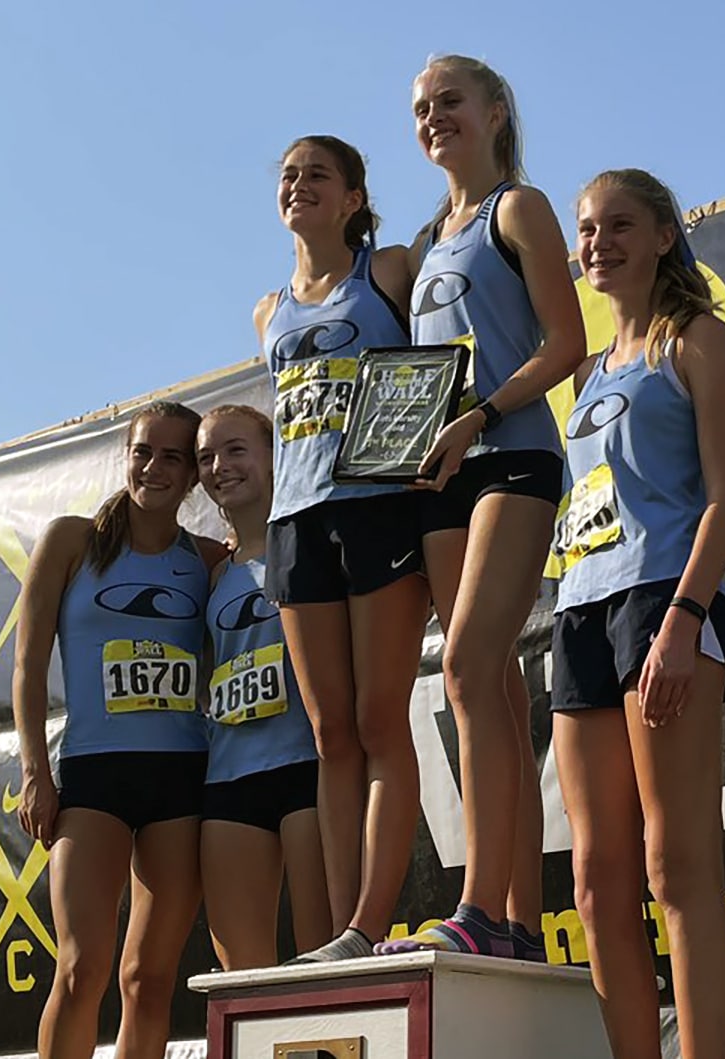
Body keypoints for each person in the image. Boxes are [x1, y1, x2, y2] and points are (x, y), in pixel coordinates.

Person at [375, 54, 586, 960]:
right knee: (492, 687)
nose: (433, 119)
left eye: (449, 101)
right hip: (441, 476)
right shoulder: (427, 240)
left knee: (464, 665)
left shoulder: (518, 208)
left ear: (496, 111)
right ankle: (520, 925)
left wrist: (480, 414)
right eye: (421, 109)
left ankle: (480, 910)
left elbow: (568, 343)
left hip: (513, 457)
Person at [549, 169, 725, 1059]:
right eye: (588, 231)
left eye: (620, 225)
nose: (600, 244)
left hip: (664, 603)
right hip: (582, 614)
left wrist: (683, 617)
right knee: (596, 881)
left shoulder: (696, 339)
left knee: (677, 865)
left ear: (665, 234)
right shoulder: (588, 376)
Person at [256, 136, 427, 963]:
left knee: (378, 718)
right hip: (294, 518)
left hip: (376, 505)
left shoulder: (389, 270)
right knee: (329, 735)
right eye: (289, 176)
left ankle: (370, 921)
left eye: (318, 175)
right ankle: (336, 936)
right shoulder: (267, 311)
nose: (300, 186)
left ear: (355, 196)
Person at [14, 401, 226, 1059]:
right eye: (142, 451)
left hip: (182, 779)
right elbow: (27, 664)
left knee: (149, 977)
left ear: (193, 474)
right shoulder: (70, 541)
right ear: (125, 456)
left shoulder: (212, 559)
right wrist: (34, 774)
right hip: (91, 778)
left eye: (172, 456)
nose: (153, 466)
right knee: (81, 969)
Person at [195, 403, 331, 968]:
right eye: (206, 457)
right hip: (228, 780)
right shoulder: (211, 572)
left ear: (274, 457)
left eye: (236, 450)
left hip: (308, 770)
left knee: (323, 962)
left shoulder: (314, 540)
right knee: (242, 981)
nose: (220, 466)